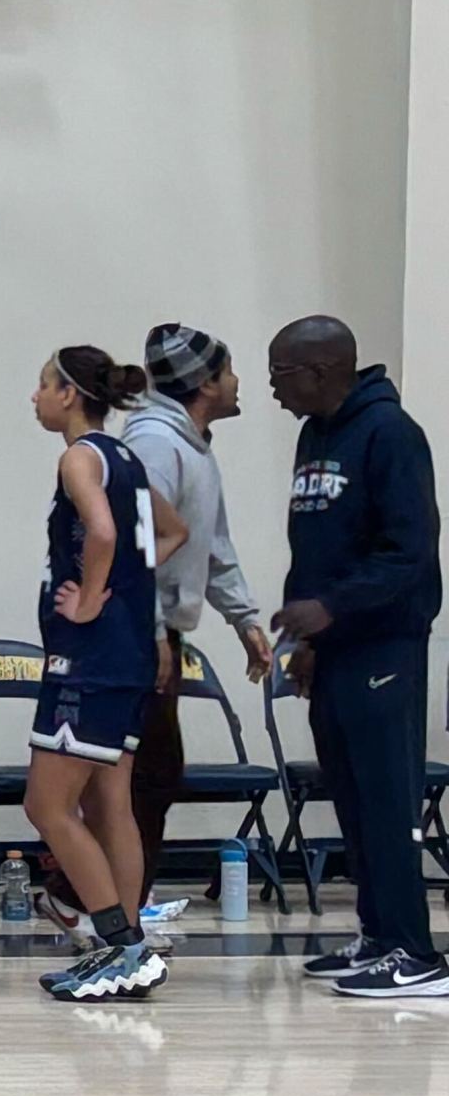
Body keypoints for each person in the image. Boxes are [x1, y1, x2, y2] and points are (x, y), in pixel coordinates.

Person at [269, 317, 445, 1000]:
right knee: (348, 795)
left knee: (386, 797)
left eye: (281, 373)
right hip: (335, 648)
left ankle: (416, 952)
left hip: (385, 645)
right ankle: (378, 935)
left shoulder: (391, 435)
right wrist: (307, 638)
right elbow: (309, 548)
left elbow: (409, 552)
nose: (273, 389)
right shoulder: (315, 434)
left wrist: (335, 608)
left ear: (320, 370)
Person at [19, 347, 170, 1002]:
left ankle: (119, 942)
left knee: (46, 804)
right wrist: (128, 589)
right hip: (130, 649)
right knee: (111, 805)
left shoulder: (79, 456)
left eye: (43, 384)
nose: (35, 396)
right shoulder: (127, 457)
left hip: (92, 655)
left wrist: (89, 596)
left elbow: (103, 533)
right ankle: (130, 941)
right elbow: (175, 530)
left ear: (70, 395)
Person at [121, 323, 272, 909]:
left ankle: (119, 903)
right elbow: (138, 544)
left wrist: (245, 620)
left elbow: (212, 545)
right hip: (138, 634)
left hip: (159, 631)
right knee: (141, 775)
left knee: (152, 774)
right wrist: (155, 631)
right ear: (206, 383)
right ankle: (98, 904)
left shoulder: (192, 445)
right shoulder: (158, 444)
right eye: (230, 372)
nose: (239, 383)